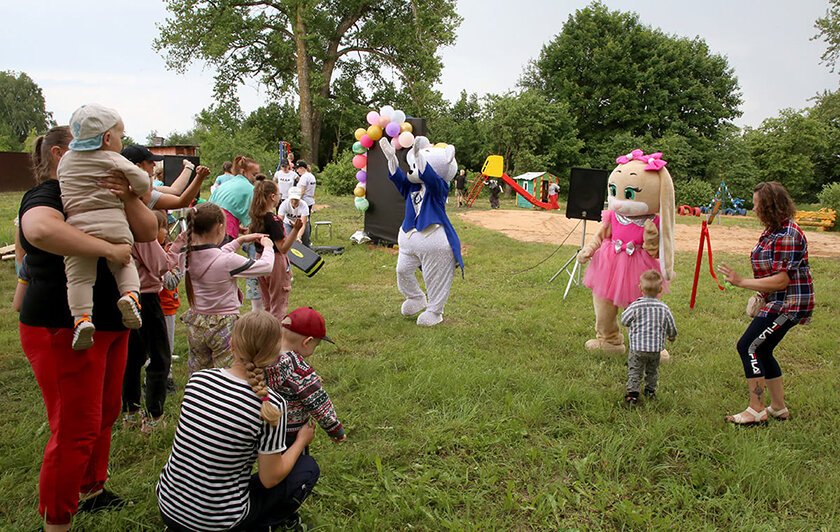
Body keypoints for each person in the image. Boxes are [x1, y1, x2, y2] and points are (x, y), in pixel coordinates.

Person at [19, 125, 158, 532]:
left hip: (112, 325)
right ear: (61, 155)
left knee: (106, 413)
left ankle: (92, 490)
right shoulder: (49, 194)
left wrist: (127, 195)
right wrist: (108, 249)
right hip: (64, 327)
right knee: (75, 429)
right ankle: (57, 521)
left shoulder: (106, 190)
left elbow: (148, 231)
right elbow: (39, 230)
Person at [156, 311, 320, 532]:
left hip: (168, 507)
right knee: (308, 468)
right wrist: (301, 441)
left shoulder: (197, 380)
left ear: (231, 344)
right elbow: (270, 478)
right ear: (275, 355)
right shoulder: (271, 405)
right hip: (216, 523)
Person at [718, 181, 814, 425]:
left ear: (770, 205)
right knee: (763, 348)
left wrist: (741, 282)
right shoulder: (773, 230)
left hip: (789, 303)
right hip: (777, 300)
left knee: (748, 346)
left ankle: (756, 409)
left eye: (757, 204)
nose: (754, 209)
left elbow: (782, 280)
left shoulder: (788, 234)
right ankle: (778, 408)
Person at [57, 104, 152, 349]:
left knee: (78, 278)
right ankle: (130, 295)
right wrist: (132, 189)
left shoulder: (66, 160)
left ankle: (82, 319)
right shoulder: (112, 158)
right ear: (107, 138)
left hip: (78, 226)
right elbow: (143, 183)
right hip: (113, 223)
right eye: (120, 136)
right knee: (124, 262)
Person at [179, 202, 274, 374]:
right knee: (225, 371)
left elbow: (213, 255)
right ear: (219, 228)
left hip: (196, 322)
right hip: (224, 325)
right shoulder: (228, 261)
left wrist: (239, 241)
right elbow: (266, 266)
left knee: (198, 370)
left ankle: (197, 390)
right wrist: (268, 247)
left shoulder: (185, 255)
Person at [121, 210, 181, 432]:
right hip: (147, 299)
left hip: (130, 296)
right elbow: (161, 266)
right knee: (159, 358)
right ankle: (154, 418)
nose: (164, 231)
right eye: (162, 227)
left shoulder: (126, 230)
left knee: (133, 357)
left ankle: (131, 412)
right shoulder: (143, 236)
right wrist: (178, 248)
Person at [266, 307, 346, 449]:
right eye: (316, 345)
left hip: (265, 427)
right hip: (292, 433)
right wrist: (335, 429)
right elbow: (318, 403)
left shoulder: (263, 356)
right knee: (297, 461)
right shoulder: (300, 371)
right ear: (307, 342)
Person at [249, 180, 305, 321]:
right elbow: (283, 248)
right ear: (273, 197)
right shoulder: (273, 220)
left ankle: (267, 328)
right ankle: (276, 332)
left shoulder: (257, 216)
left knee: (267, 302)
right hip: (275, 262)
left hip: (260, 259)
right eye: (279, 194)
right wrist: (296, 230)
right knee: (278, 305)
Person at [619, 270, 677, 405]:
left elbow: (624, 320)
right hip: (655, 349)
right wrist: (672, 336)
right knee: (652, 371)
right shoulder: (664, 308)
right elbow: (671, 325)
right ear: (660, 290)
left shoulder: (635, 306)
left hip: (637, 348)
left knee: (635, 370)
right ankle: (650, 391)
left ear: (640, 288)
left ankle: (633, 394)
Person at [209, 155, 260, 241]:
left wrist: (238, 228)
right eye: (254, 175)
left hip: (210, 226)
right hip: (226, 230)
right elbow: (253, 216)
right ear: (243, 172)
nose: (256, 179)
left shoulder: (225, 185)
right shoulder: (250, 188)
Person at [294, 161, 316, 246]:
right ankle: (307, 239)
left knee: (304, 221)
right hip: (310, 200)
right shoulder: (311, 176)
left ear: (302, 168)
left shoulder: (304, 177)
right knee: (307, 220)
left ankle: (304, 239)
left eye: (298, 169)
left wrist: (297, 201)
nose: (297, 171)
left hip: (304, 201)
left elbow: (302, 190)